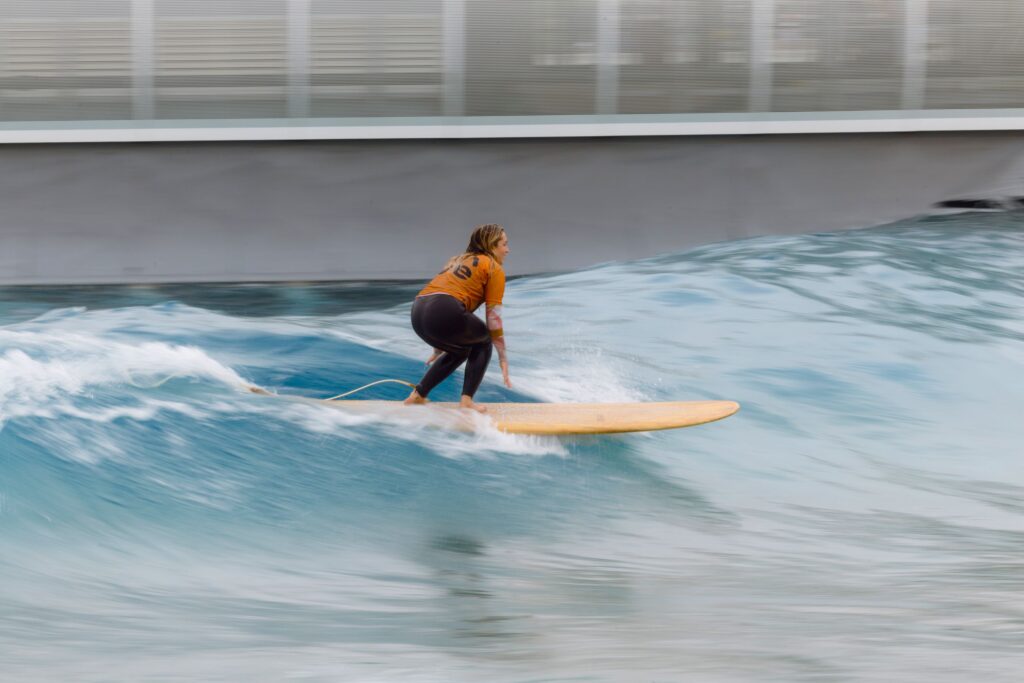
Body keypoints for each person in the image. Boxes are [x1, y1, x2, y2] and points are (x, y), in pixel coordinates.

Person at [404, 224, 512, 413]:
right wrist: (503, 357)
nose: (507, 250)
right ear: (491, 246)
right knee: (484, 340)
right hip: (444, 309)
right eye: (504, 244)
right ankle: (467, 401)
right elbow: (493, 318)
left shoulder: (460, 260)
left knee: (461, 350)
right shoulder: (493, 268)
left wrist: (439, 347)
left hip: (418, 311)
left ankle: (418, 395)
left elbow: (440, 297)